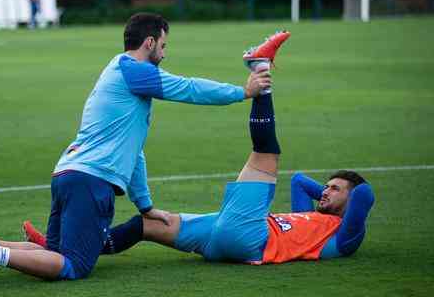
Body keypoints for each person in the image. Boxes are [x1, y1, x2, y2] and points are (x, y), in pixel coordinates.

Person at [0, 13, 274, 286]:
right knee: (74, 265)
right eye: (163, 45)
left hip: (68, 173)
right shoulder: (135, 71)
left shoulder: (123, 77)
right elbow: (186, 88)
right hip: (90, 180)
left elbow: (135, 155)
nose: (165, 53)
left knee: (54, 250)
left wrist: (146, 207)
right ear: (149, 43)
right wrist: (242, 92)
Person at [23, 32, 376, 265]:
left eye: (336, 189)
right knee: (148, 224)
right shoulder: (310, 216)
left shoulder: (345, 237)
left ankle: (261, 68)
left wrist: (344, 199)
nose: (326, 191)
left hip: (251, 237)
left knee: (267, 152)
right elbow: (299, 181)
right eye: (328, 186)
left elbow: (365, 196)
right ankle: (67, 246)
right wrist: (328, 198)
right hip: (222, 235)